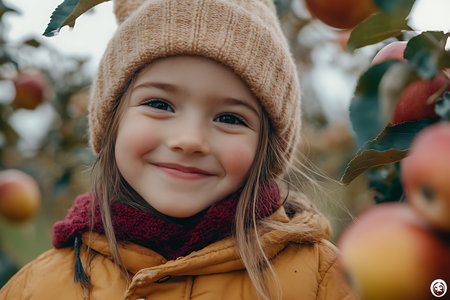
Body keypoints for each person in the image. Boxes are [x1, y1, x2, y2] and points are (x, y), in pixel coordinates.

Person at [0, 0, 357, 299]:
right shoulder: (37, 288)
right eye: (160, 104)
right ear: (113, 121)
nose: (189, 139)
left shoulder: (324, 281)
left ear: (266, 148)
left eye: (230, 118)